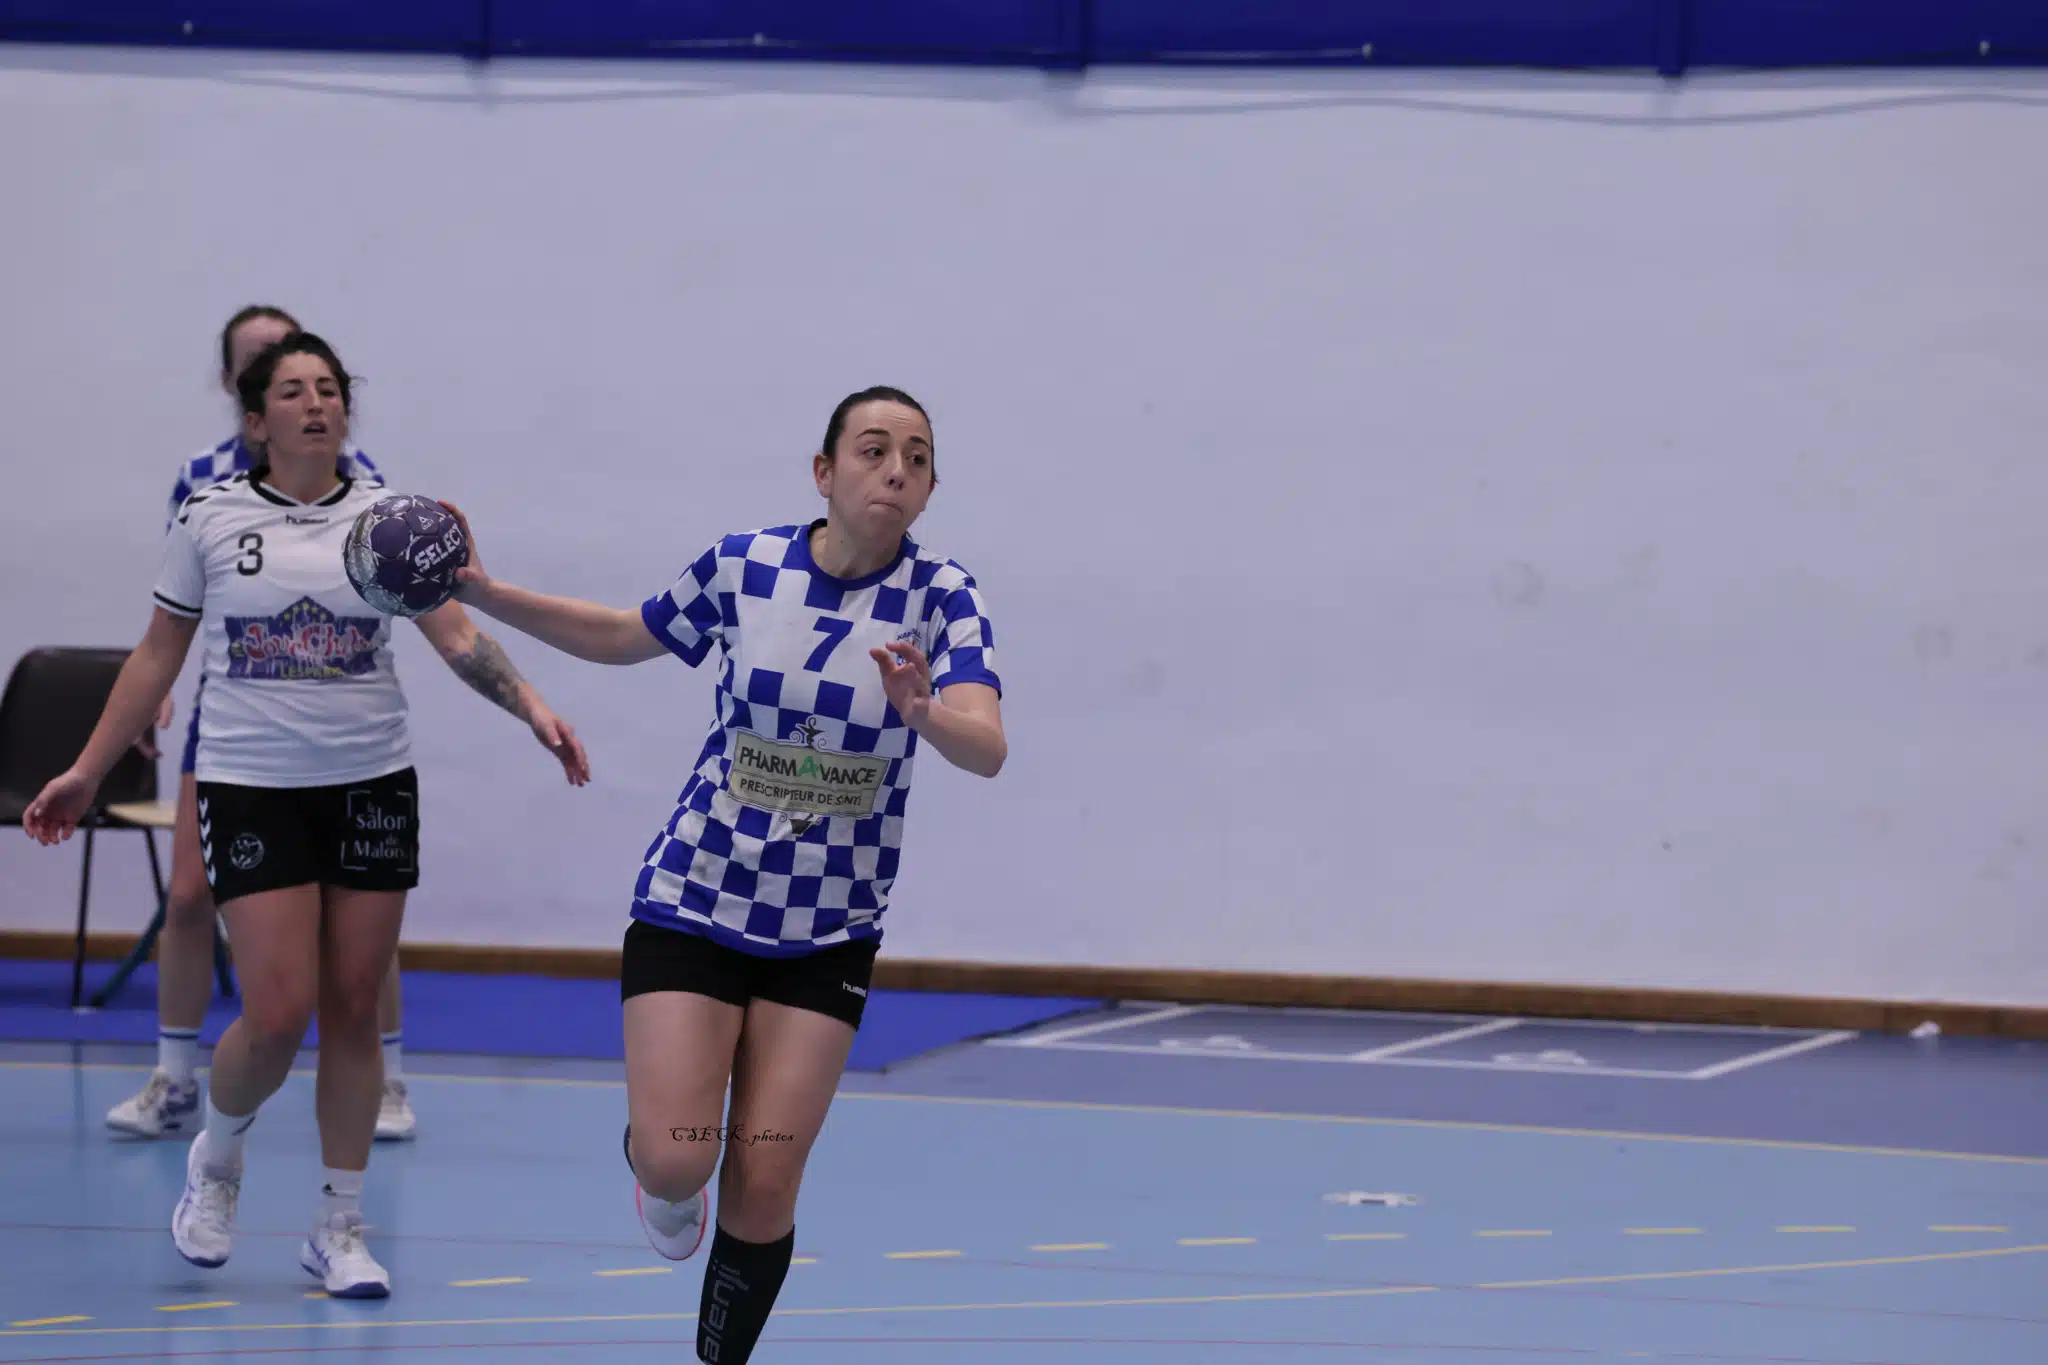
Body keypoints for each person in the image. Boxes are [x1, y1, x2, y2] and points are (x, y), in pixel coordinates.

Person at [23, 333, 592, 1299]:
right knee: (278, 1011)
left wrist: (532, 706)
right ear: (257, 421)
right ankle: (219, 1157)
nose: (317, 403)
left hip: (371, 782)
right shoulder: (210, 517)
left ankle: (338, 1223)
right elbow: (157, 655)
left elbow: (456, 633)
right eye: (293, 391)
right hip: (251, 782)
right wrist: (86, 769)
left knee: (355, 1003)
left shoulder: (387, 520)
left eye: (329, 388)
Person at [443, 385, 1005, 1363]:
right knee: (677, 1162)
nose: (895, 470)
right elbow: (621, 633)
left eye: (916, 458)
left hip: (826, 929)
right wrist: (487, 595)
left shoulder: (944, 596)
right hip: (697, 898)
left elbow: (987, 747)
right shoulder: (747, 566)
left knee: (764, 1178)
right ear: (824, 472)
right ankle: (658, 1167)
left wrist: (925, 714)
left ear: (929, 489)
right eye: (873, 450)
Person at [107, 305, 422, 1145]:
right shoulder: (203, 485)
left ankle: (388, 1074)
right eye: (272, 368)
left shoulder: (364, 483)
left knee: (360, 924)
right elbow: (174, 614)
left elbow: (437, 614)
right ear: (240, 391)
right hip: (237, 721)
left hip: (349, 738)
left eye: (320, 381)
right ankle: (175, 1078)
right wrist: (151, 697)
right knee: (189, 895)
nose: (310, 398)